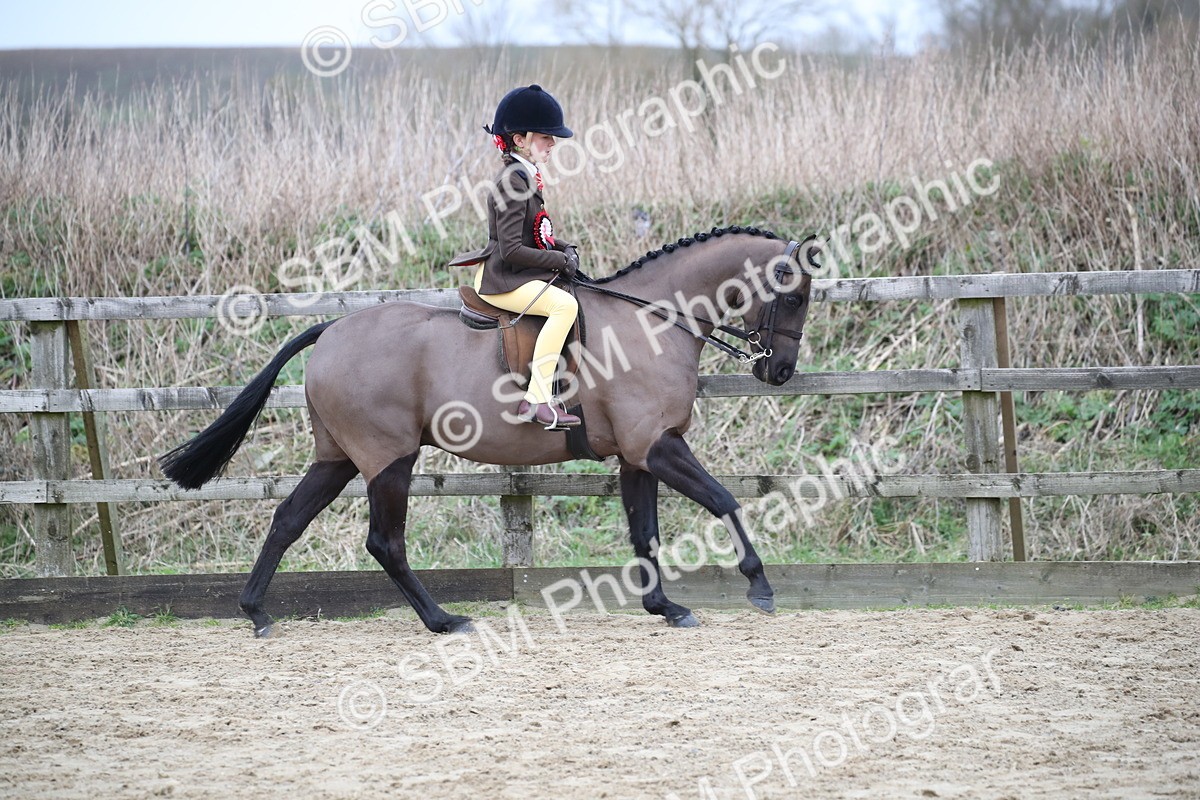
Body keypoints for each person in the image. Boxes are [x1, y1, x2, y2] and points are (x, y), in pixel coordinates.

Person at [449, 84, 582, 429]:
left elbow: (533, 234)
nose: (553, 144)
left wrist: (563, 247)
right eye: (545, 137)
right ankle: (536, 400)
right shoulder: (514, 181)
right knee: (564, 306)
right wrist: (558, 262)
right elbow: (511, 250)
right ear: (519, 139)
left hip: (515, 273)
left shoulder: (525, 175)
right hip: (503, 279)